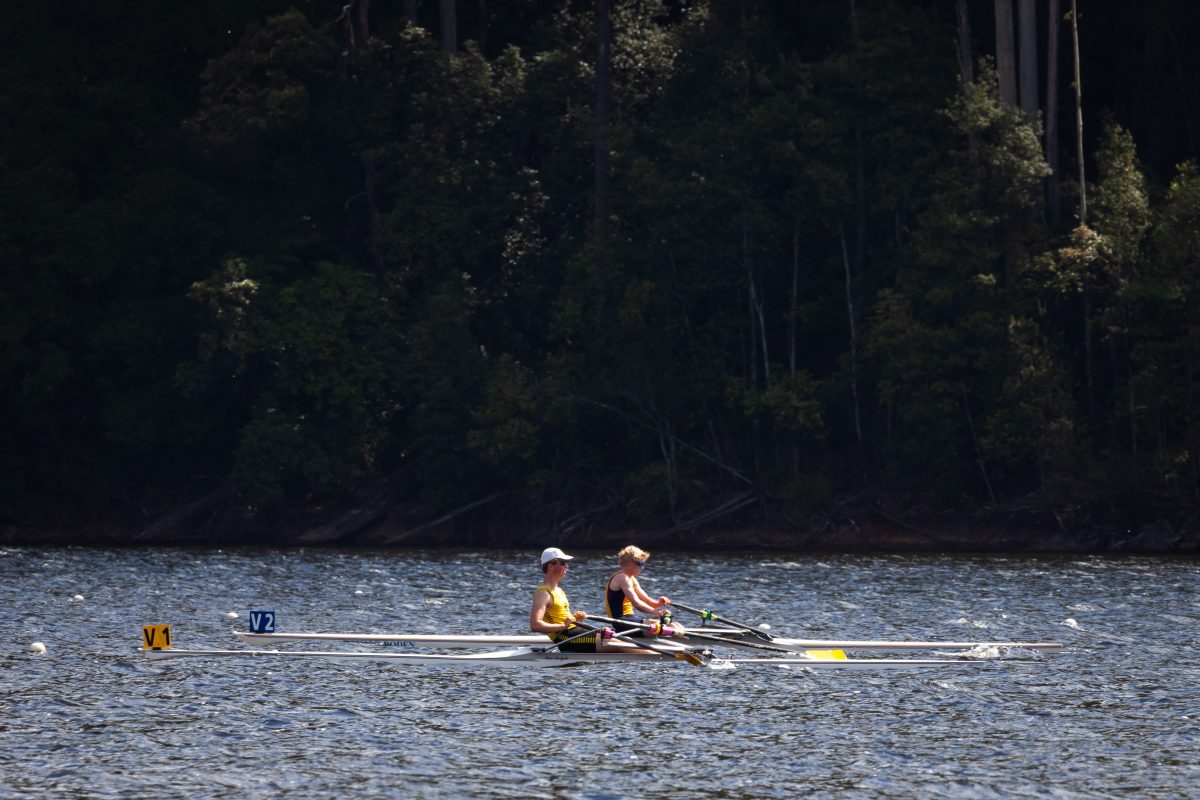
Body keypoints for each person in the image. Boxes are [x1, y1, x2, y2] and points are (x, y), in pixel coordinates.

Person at [529, 547, 655, 654]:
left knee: (613, 635)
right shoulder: (543, 594)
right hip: (564, 638)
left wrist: (577, 619)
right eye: (562, 563)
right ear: (550, 566)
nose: (567, 566)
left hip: (573, 632)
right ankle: (655, 656)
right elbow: (535, 625)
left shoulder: (559, 591)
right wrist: (563, 626)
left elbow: (562, 618)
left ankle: (652, 653)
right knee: (615, 642)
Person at [604, 545, 675, 637]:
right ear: (629, 563)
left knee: (674, 625)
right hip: (622, 622)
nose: (642, 568)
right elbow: (637, 604)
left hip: (630, 619)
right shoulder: (622, 578)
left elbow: (647, 601)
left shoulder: (631, 579)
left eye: (643, 564)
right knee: (668, 627)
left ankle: (678, 637)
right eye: (640, 564)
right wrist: (659, 613)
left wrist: (659, 603)